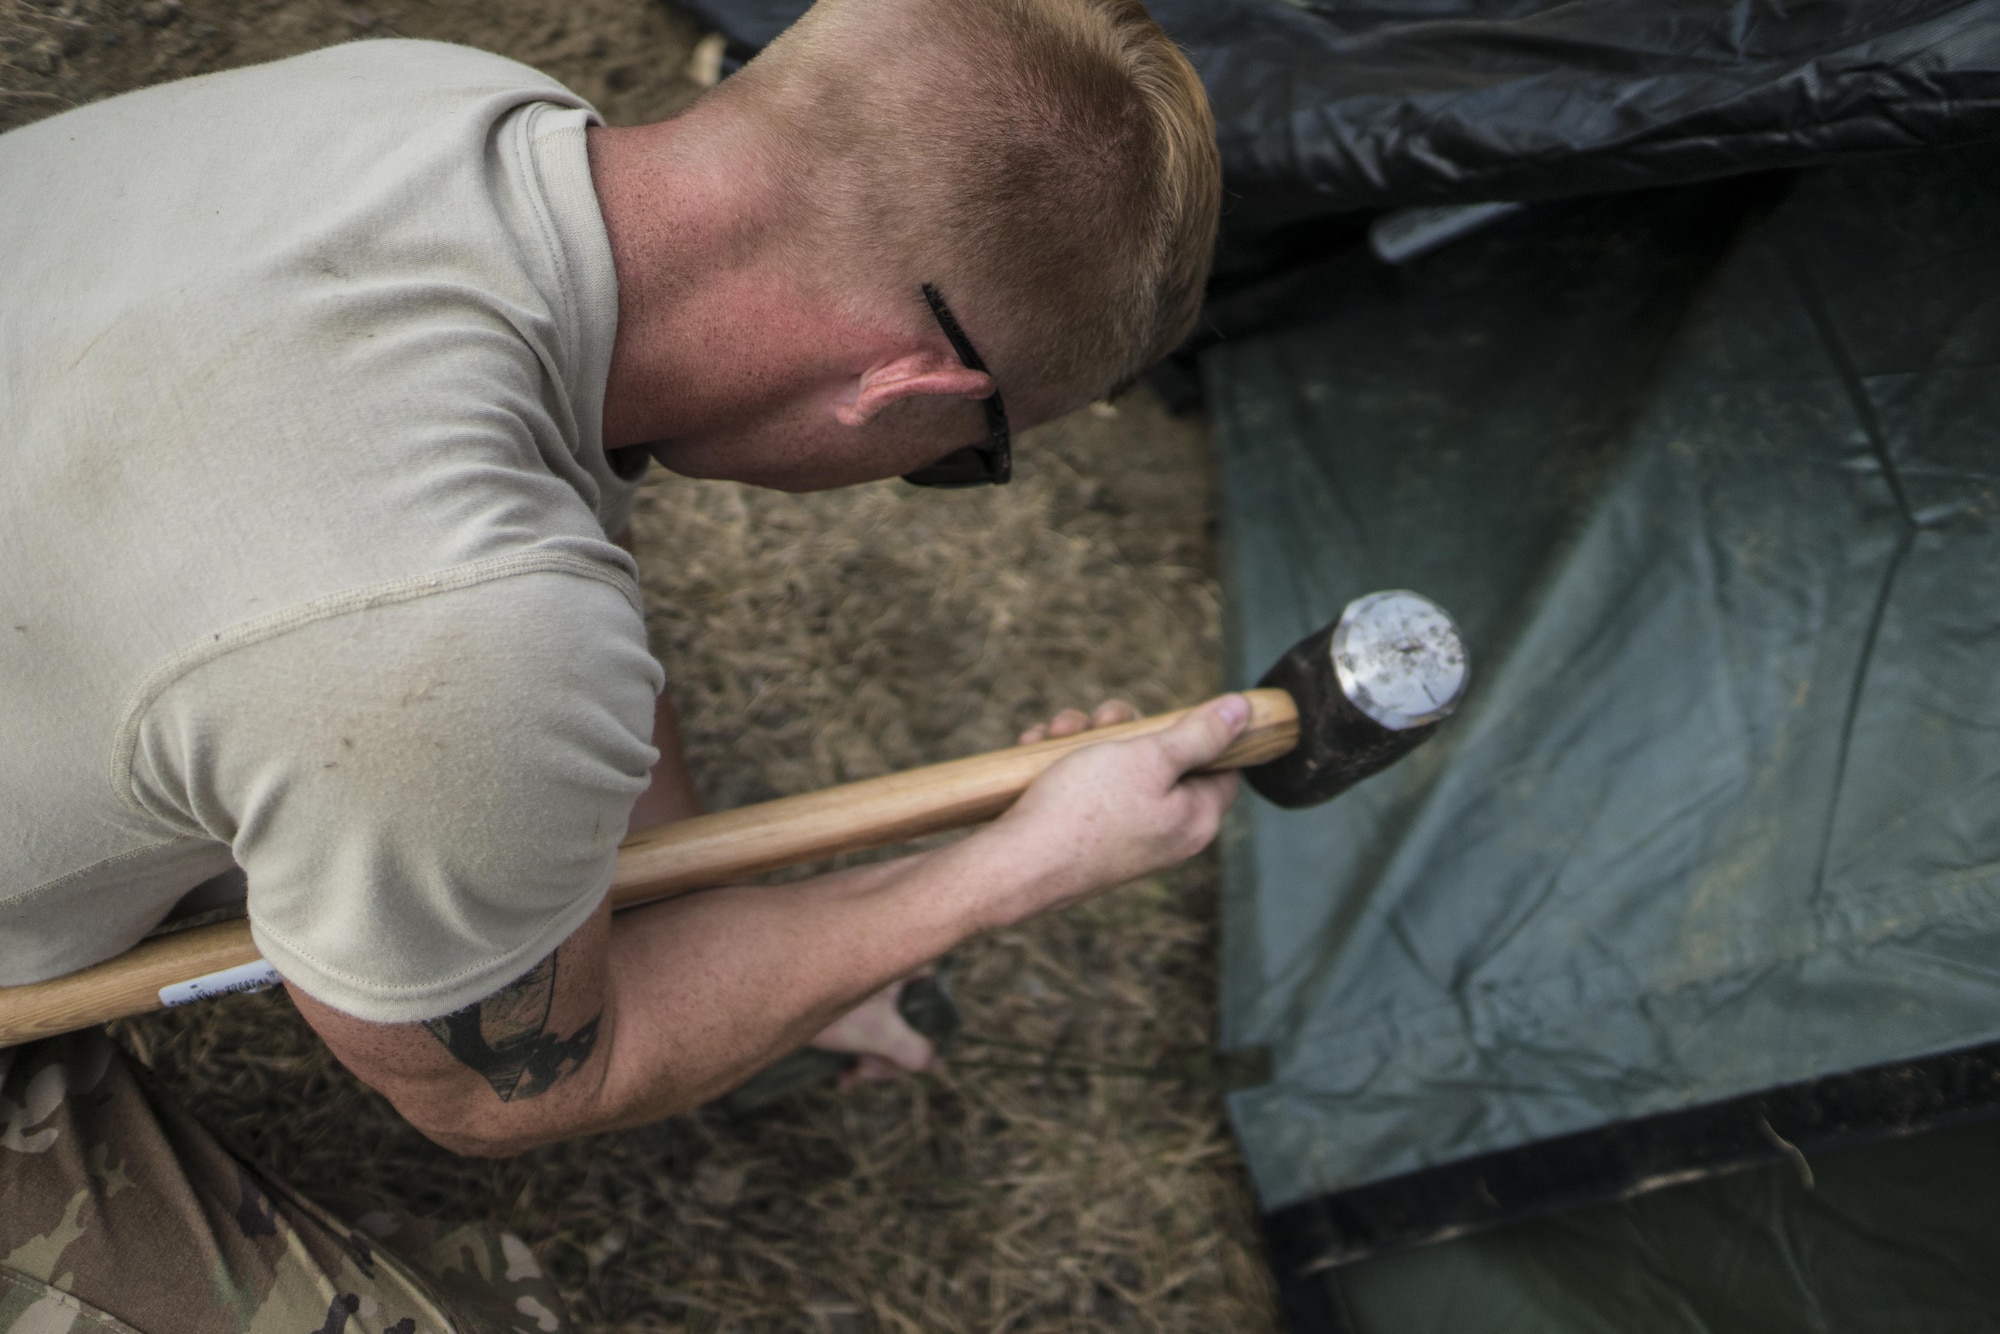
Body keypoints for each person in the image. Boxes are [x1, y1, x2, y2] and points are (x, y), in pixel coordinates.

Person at [0, 0, 1227, 1326]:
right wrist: (1006, 870)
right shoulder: (454, 639)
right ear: (905, 392)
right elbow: (503, 1086)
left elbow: (560, 569)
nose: (930, 476)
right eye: (965, 460)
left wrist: (706, 913)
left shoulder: (458, 114)